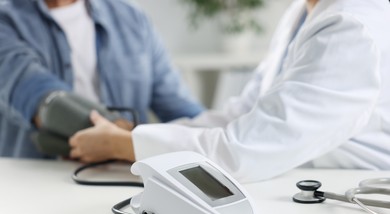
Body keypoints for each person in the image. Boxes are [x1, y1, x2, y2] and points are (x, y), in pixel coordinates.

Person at [69, 0, 390, 183]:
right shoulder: (302, 13)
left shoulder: (352, 27)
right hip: (298, 182)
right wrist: (140, 134)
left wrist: (124, 145)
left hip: (351, 195)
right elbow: (245, 113)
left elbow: (243, 152)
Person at [0, 0, 203, 158]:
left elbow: (184, 112)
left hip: (126, 184)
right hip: (36, 188)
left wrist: (219, 140)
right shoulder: (6, 20)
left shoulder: (131, 18)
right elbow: (46, 105)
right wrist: (130, 139)